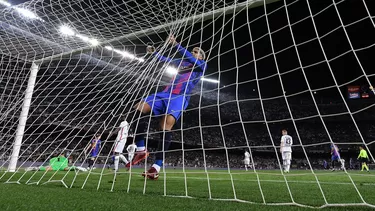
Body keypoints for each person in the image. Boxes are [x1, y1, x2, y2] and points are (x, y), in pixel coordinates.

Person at [124, 35, 207, 180]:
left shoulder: (201, 66)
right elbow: (165, 60)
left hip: (179, 98)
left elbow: (190, 57)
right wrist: (154, 53)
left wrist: (176, 44)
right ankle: (141, 149)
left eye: (195, 51)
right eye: (193, 51)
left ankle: (156, 167)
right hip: (164, 93)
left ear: (201, 56)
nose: (193, 53)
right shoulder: (182, 63)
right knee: (138, 108)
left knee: (165, 126)